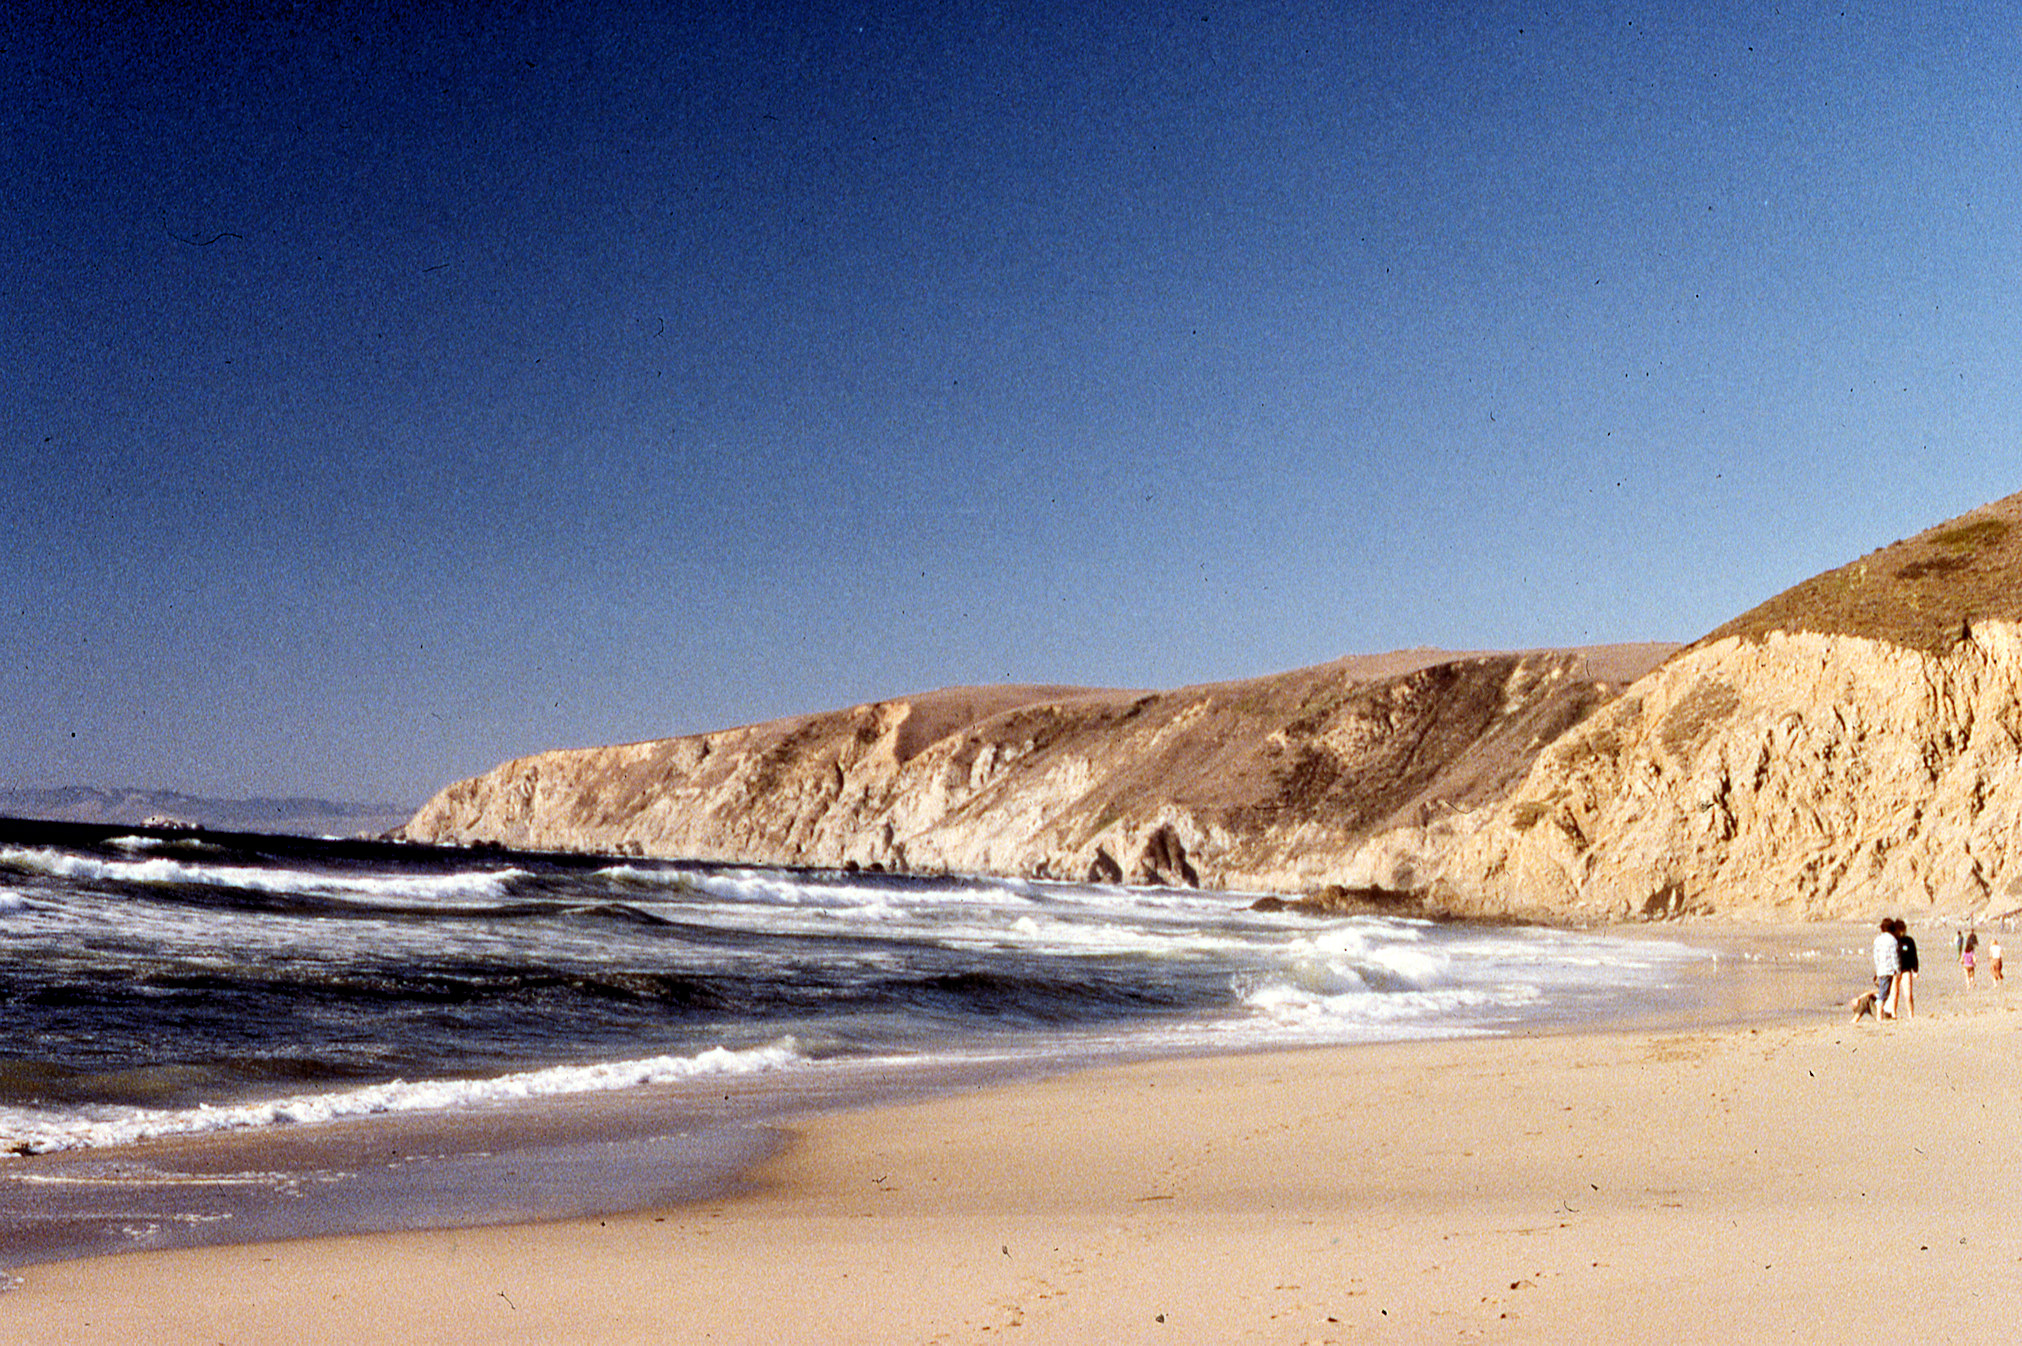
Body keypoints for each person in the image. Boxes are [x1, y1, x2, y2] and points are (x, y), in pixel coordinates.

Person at [1887, 919, 1918, 1019]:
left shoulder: (1909, 941)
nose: (1902, 932)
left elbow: (1914, 955)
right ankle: (1893, 1014)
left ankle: (1910, 1014)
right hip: (1894, 970)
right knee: (1894, 994)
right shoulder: (1893, 941)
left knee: (1908, 994)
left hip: (1906, 969)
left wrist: (1915, 970)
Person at [1873, 919, 1901, 1018]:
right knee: (1884, 993)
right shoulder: (1892, 940)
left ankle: (1880, 1013)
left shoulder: (1877, 939)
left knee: (1883, 990)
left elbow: (1876, 956)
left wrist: (1877, 968)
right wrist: (1897, 969)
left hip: (1880, 969)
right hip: (1888, 969)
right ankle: (1879, 1015)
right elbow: (1894, 956)